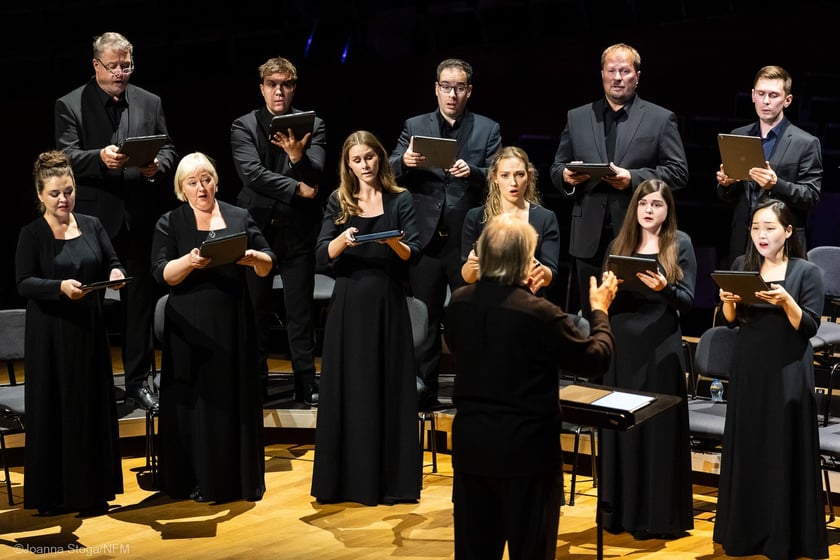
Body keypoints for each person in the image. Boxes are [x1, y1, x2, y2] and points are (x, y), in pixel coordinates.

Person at [444, 213, 617, 560]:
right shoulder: (540, 313)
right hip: (527, 456)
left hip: (472, 450)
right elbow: (595, 358)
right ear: (523, 260)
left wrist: (525, 296)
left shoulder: (458, 303)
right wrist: (600, 311)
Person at [55, 31, 177, 412]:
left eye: (127, 65)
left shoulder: (149, 101)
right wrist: (99, 158)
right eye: (114, 66)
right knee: (89, 306)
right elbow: (64, 156)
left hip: (138, 218)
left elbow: (168, 148)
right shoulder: (70, 104)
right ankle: (91, 386)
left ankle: (139, 383)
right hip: (92, 223)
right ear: (96, 65)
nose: (121, 72)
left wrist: (158, 166)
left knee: (138, 307)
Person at [151, 152, 275, 503]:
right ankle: (196, 479)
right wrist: (189, 261)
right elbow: (161, 273)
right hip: (189, 329)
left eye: (206, 179)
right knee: (196, 404)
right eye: (192, 182)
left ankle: (234, 479)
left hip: (232, 324)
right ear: (182, 189)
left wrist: (255, 258)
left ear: (216, 181)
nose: (201, 188)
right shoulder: (171, 222)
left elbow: (268, 263)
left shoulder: (238, 216)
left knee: (231, 399)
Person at [311, 131, 422, 506]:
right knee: (352, 387)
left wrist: (392, 242)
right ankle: (348, 481)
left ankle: (391, 482)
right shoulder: (339, 200)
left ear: (380, 158)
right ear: (348, 164)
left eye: (370, 157)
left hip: (388, 302)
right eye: (357, 160)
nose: (365, 165)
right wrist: (343, 240)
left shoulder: (400, 198)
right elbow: (321, 254)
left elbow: (413, 252)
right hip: (350, 304)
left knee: (388, 386)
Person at [714, 199, 828, 559]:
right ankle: (746, 531)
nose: (761, 235)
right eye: (755, 228)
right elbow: (731, 320)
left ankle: (783, 534)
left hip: (787, 367)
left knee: (782, 445)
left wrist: (786, 301)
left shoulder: (806, 272)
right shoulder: (742, 266)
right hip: (749, 366)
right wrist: (727, 301)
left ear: (788, 231)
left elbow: (809, 327)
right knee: (749, 443)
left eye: (770, 228)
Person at [15, 150, 126, 516]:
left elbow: (112, 262)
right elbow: (23, 282)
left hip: (89, 331)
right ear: (40, 195)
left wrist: (115, 274)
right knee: (56, 410)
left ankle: (93, 493)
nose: (63, 199)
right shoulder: (32, 234)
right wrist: (59, 287)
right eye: (55, 194)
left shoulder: (92, 224)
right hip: (50, 336)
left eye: (69, 191)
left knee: (90, 407)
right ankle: (55, 495)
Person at [389, 57, 502, 408]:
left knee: (469, 318)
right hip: (424, 238)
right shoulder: (415, 125)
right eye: (446, 87)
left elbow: (500, 175)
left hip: (465, 241)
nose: (452, 94)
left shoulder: (487, 128)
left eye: (459, 87)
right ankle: (424, 392)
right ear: (436, 89)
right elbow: (388, 169)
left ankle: (473, 391)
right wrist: (404, 162)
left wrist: (474, 172)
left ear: (470, 90)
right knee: (425, 318)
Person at [550, 42, 688, 318]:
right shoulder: (577, 117)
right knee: (592, 315)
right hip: (588, 237)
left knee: (628, 316)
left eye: (624, 71)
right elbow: (556, 167)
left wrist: (632, 178)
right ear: (602, 73)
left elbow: (678, 172)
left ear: (637, 76)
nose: (617, 77)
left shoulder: (660, 119)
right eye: (611, 70)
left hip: (637, 234)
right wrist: (565, 176)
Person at [597, 179, 696, 539]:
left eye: (657, 204)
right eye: (643, 203)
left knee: (655, 429)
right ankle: (619, 513)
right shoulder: (619, 244)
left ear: (668, 210)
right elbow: (605, 293)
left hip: (659, 347)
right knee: (621, 427)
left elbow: (688, 301)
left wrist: (664, 288)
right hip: (622, 346)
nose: (649, 210)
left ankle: (657, 517)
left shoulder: (679, 243)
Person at [231, 55, 325, 406]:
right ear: (262, 88)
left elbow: (316, 172)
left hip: (298, 231)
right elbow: (251, 173)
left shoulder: (313, 124)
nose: (279, 91)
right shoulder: (244, 125)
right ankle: (256, 382)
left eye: (286, 84)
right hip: (257, 231)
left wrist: (298, 158)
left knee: (300, 313)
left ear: (294, 88)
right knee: (255, 311)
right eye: (272, 84)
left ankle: (305, 383)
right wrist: (296, 186)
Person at [716, 65, 822, 266]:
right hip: (743, 241)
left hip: (783, 244)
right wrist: (726, 184)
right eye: (761, 94)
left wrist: (776, 184)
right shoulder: (738, 135)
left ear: (787, 100)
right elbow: (728, 197)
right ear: (753, 95)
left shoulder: (805, 143)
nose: (766, 101)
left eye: (773, 95)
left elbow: (811, 196)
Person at [460, 146, 559, 296]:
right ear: (495, 177)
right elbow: (467, 277)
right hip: (487, 298)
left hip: (527, 298)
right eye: (505, 175)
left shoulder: (545, 218)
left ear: (528, 176)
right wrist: (472, 265)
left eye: (519, 174)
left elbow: (549, 278)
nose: (513, 182)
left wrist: (531, 264)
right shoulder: (476, 217)